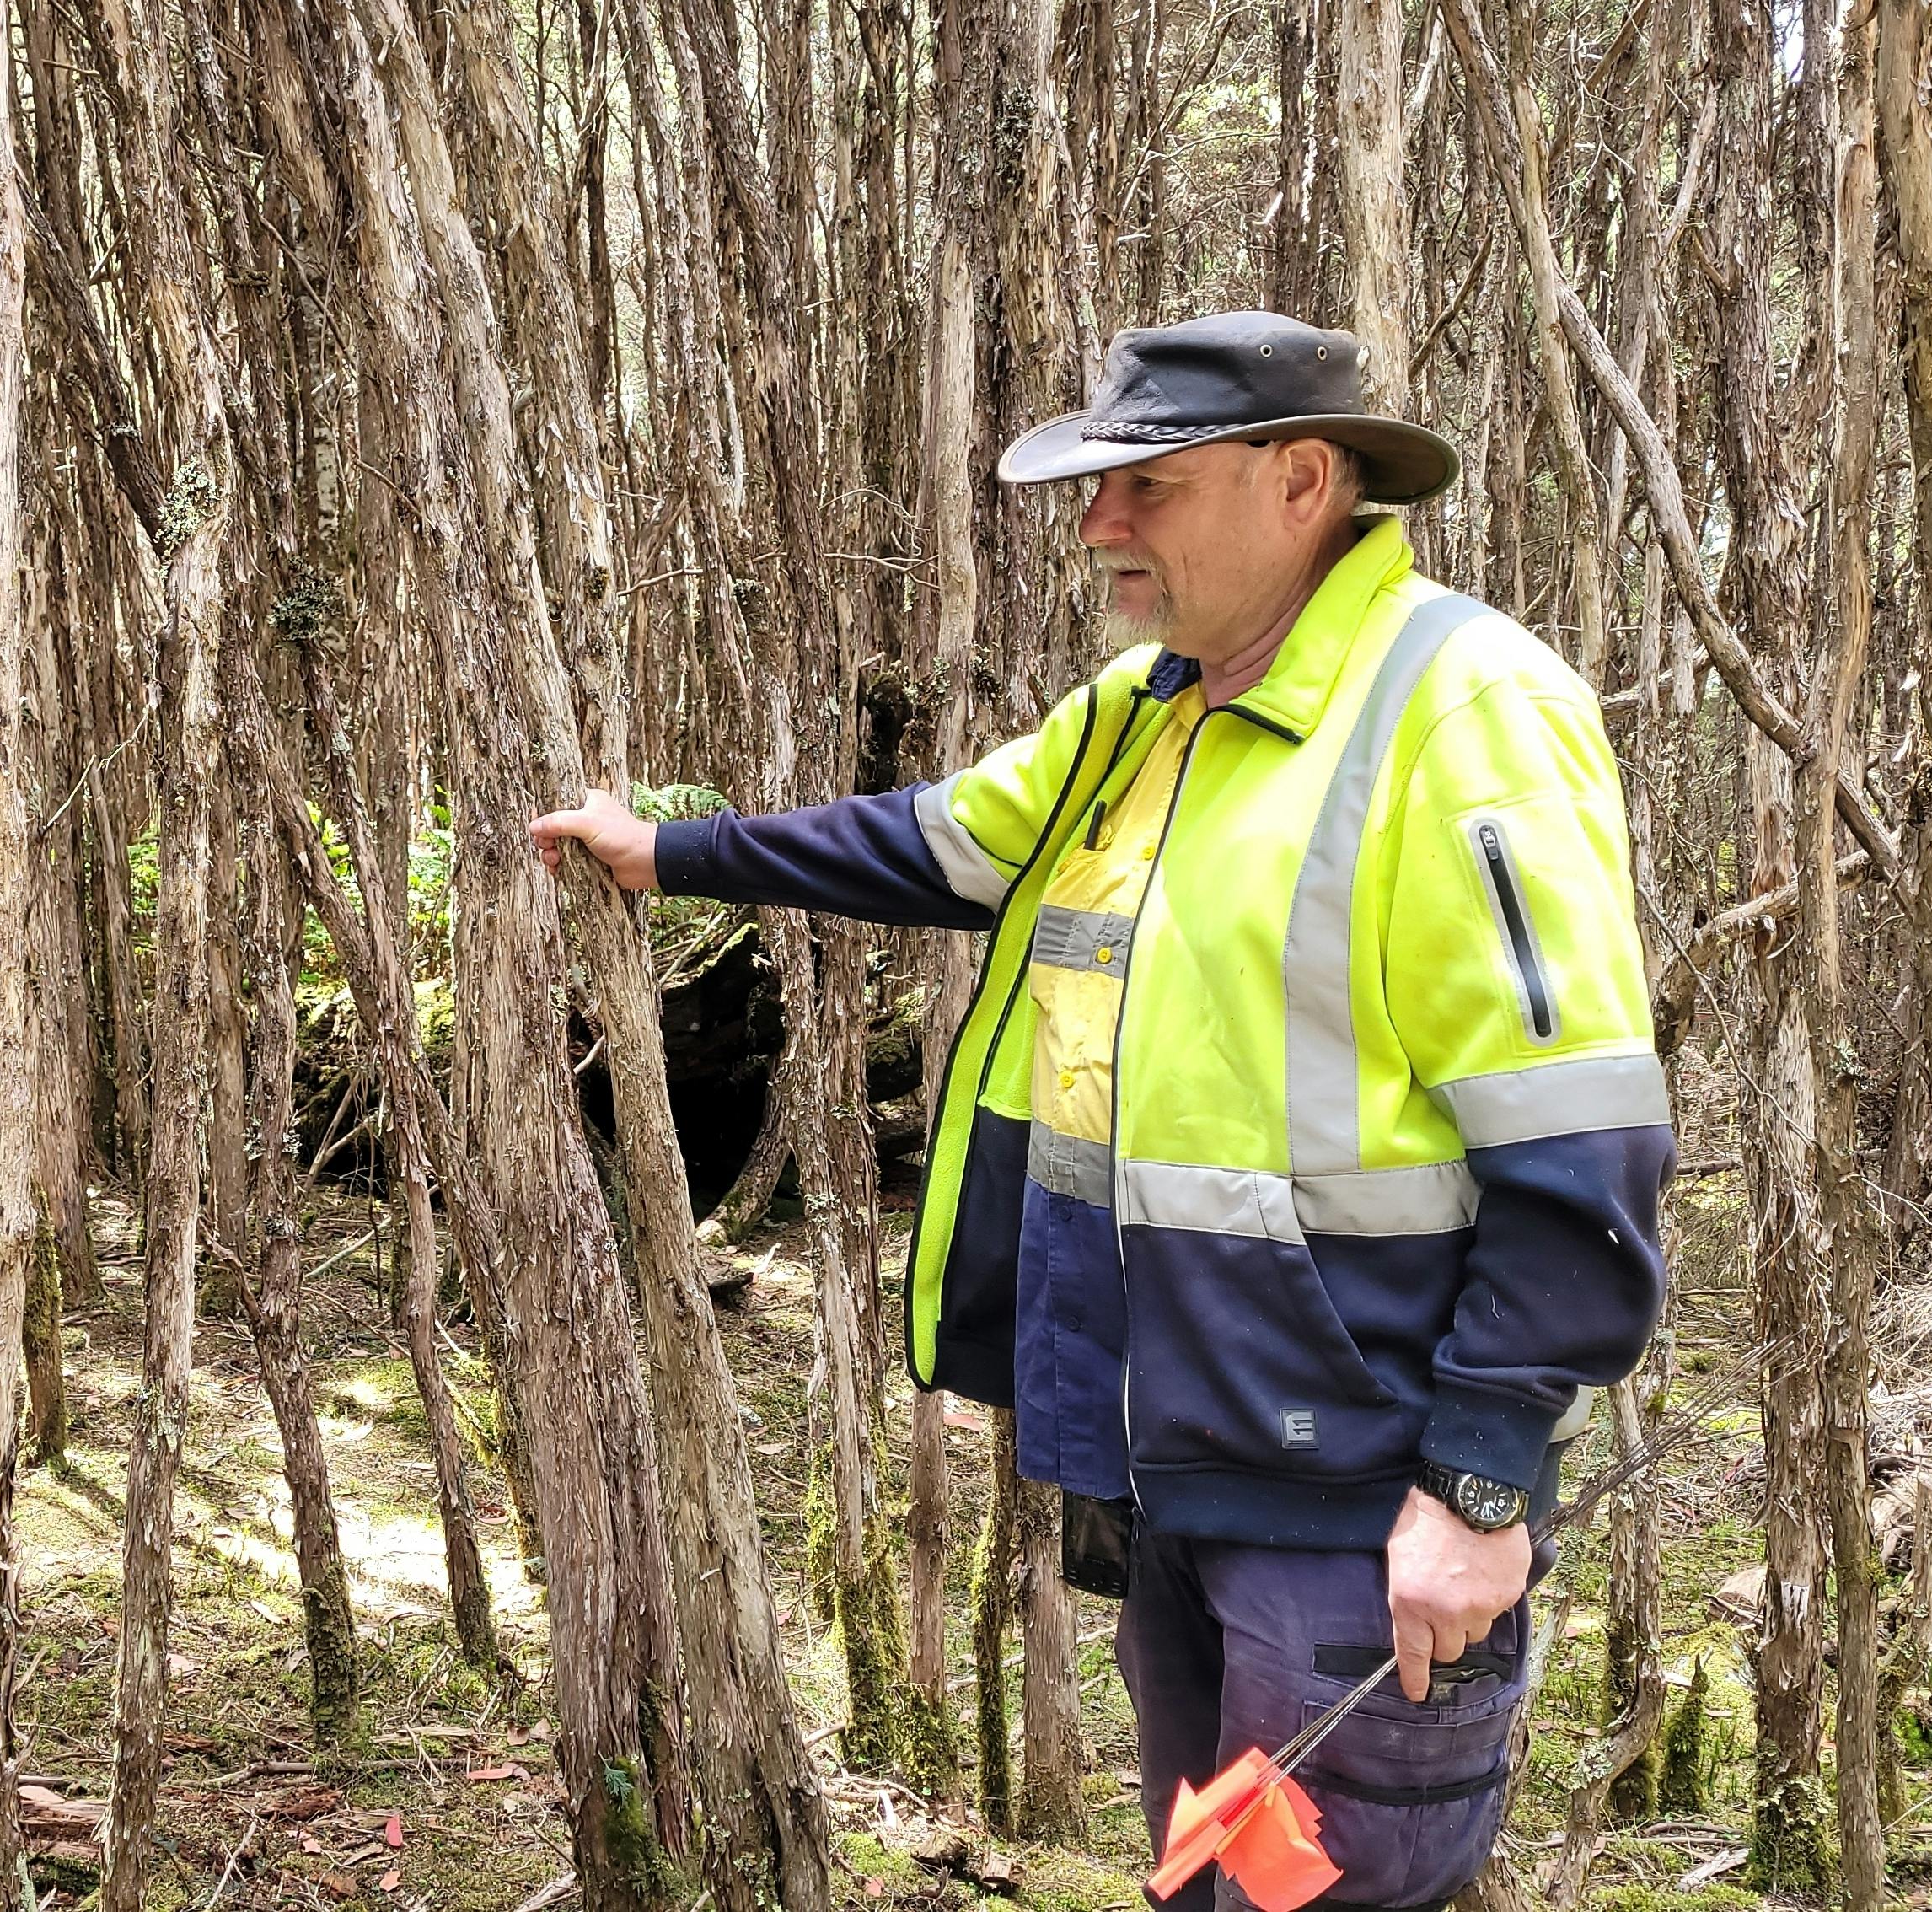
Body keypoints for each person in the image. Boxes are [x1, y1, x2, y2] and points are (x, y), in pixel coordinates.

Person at [532, 311, 1667, 1911]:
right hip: (1171, 1464)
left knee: (1334, 1895)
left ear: (1301, 482)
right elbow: (940, 843)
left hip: (1357, 1497)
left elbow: (1579, 1139)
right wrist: (672, 854)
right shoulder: (1144, 712)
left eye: (1150, 486)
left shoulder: (1465, 708)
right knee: (1202, 1880)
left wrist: (1480, 1489)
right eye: (1096, 487)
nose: (1098, 525)